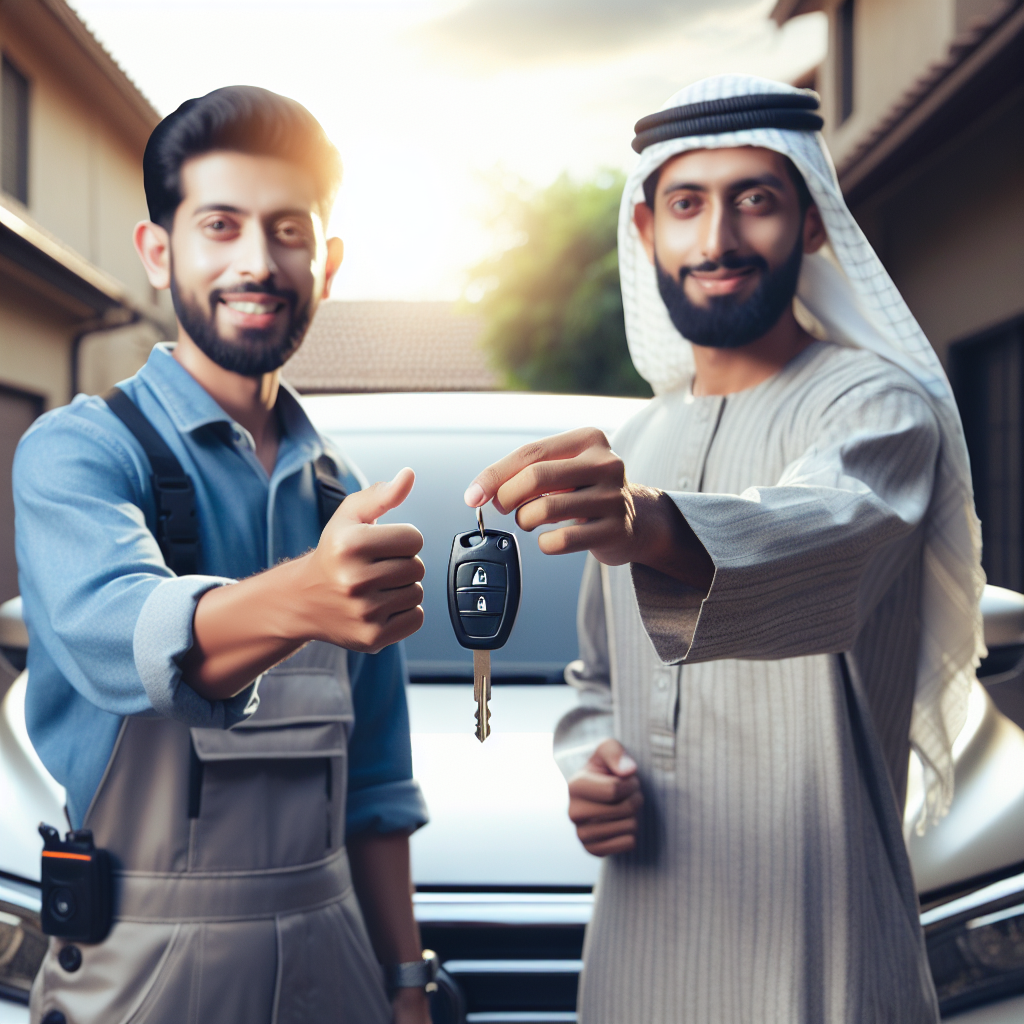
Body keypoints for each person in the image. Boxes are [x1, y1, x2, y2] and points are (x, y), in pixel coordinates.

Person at [464, 75, 984, 1022]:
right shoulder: (639, 440)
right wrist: (589, 765)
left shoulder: (877, 409)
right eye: (687, 205)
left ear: (814, 224)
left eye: (756, 200)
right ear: (645, 232)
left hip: (819, 943)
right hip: (639, 947)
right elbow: (595, 680)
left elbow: (824, 537)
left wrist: (655, 526)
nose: (717, 241)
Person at [15, 87, 434, 1024]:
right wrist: (306, 598)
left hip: (341, 964)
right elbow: (119, 630)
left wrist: (407, 985)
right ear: (159, 252)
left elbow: (376, 784)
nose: (258, 261)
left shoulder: (345, 490)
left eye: (288, 230)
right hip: (143, 970)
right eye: (221, 225)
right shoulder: (79, 453)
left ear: (325, 260)